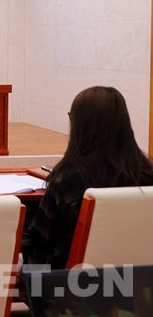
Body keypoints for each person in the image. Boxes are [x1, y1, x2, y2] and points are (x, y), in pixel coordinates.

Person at [21, 86, 153, 269]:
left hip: (68, 282)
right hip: (137, 280)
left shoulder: (67, 180)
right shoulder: (147, 174)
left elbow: (38, 244)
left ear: (80, 125)